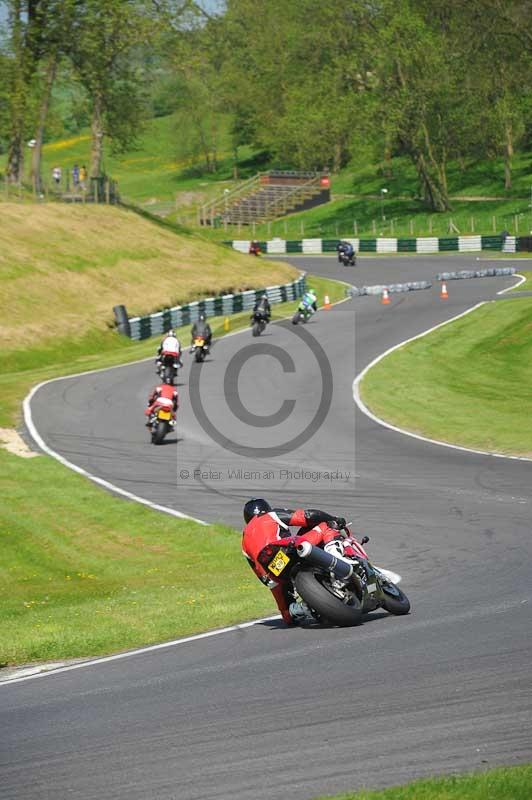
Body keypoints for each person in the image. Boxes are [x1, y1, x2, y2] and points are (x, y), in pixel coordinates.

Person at [241, 498, 347, 625]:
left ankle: (303, 608)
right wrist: (334, 518)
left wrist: (284, 602)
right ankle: (340, 561)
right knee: (327, 525)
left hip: (274, 572)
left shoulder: (243, 542)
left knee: (288, 617)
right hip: (288, 551)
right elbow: (307, 516)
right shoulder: (270, 515)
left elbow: (263, 578)